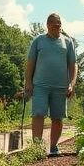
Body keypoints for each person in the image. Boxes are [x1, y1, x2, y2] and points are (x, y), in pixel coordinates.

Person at [25, 12, 77, 156]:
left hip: (60, 87)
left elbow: (73, 65)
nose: (57, 25)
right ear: (47, 25)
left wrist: (71, 84)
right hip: (40, 85)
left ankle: (53, 147)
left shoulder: (68, 42)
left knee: (57, 117)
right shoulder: (38, 41)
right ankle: (36, 148)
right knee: (38, 114)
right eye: (53, 23)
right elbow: (30, 64)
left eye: (59, 23)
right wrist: (28, 82)